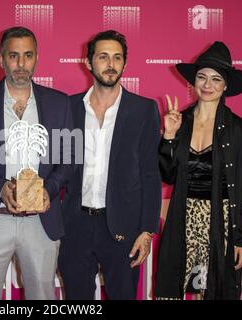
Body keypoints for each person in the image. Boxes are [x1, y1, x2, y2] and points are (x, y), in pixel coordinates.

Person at [0, 26, 73, 300]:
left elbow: (68, 159)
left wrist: (49, 190)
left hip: (41, 222)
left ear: (37, 57)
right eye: (14, 56)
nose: (21, 64)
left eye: (28, 56)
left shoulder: (59, 103)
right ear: (1, 58)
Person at [58, 30, 162, 300]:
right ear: (88, 62)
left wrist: (147, 230)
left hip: (124, 228)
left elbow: (151, 174)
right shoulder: (68, 108)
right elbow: (57, 167)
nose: (111, 64)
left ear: (125, 64)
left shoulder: (143, 110)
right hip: (75, 225)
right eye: (103, 57)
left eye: (117, 58)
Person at [155, 41, 242, 300]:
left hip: (221, 223)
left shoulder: (239, 130)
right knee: (174, 285)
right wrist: (169, 136)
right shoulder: (181, 121)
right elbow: (167, 176)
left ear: (225, 86)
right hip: (183, 217)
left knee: (215, 290)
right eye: (202, 77)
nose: (207, 85)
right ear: (194, 82)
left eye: (215, 79)